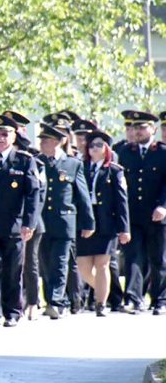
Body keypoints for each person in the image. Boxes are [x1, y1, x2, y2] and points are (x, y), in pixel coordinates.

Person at [0, 115, 40, 327]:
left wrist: (29, 223)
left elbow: (32, 194)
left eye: (5, 134)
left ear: (14, 136)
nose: (0, 138)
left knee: (13, 271)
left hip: (14, 226)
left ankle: (13, 312)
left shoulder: (24, 160)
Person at [36, 123, 95, 319]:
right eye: (41, 140)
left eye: (46, 140)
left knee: (60, 263)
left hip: (64, 222)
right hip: (42, 221)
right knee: (46, 264)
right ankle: (51, 299)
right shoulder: (37, 162)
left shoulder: (72, 164)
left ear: (58, 142)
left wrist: (88, 222)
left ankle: (56, 302)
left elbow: (82, 195)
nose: (42, 143)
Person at [77, 130, 131, 316]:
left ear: (107, 148)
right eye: (91, 145)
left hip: (107, 222)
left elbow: (121, 201)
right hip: (85, 221)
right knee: (83, 267)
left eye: (99, 144)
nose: (94, 148)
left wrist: (124, 229)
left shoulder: (114, 170)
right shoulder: (80, 167)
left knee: (102, 264)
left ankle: (100, 303)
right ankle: (103, 291)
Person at [117, 111, 166, 315]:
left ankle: (160, 299)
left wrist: (163, 205)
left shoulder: (162, 152)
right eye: (135, 128)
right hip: (133, 215)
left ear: (153, 129)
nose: (137, 131)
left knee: (158, 259)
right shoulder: (125, 152)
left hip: (157, 214)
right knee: (133, 257)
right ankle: (133, 298)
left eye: (142, 127)